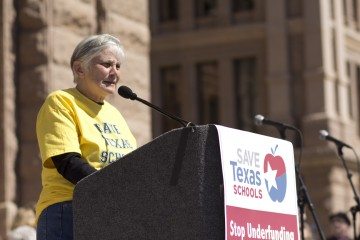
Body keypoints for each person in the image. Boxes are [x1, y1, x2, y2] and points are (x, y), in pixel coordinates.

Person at [35, 34, 137, 240]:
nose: (114, 73)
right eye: (107, 64)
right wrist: (112, 191)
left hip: (111, 213)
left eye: (118, 66)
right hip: (68, 209)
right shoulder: (61, 101)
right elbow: (67, 162)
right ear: (79, 69)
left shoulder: (115, 114)